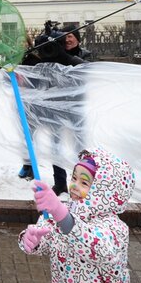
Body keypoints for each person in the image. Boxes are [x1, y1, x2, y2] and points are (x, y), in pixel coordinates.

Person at [18, 148, 138, 283]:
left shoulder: (114, 228)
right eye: (74, 177)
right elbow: (48, 236)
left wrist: (61, 215)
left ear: (103, 192)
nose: (74, 185)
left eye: (84, 182)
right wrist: (33, 240)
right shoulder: (59, 216)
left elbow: (98, 248)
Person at [18, 22, 89, 194]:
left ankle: (84, 182)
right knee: (55, 146)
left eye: (72, 37)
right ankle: (60, 183)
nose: (69, 41)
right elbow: (33, 74)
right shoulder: (48, 54)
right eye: (66, 38)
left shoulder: (83, 55)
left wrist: (62, 55)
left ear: (77, 40)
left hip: (76, 108)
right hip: (55, 109)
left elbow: (85, 73)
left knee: (79, 148)